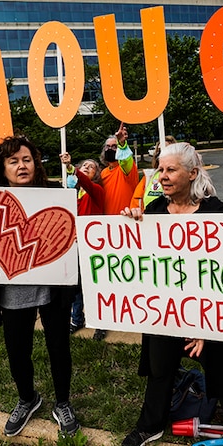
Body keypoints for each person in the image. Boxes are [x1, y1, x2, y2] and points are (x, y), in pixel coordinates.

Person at [120, 142, 223, 446]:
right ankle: (150, 425)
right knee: (160, 370)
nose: (163, 176)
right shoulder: (153, 211)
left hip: (210, 314)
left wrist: (203, 327)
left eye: (171, 170)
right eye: (161, 169)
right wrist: (131, 224)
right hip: (167, 313)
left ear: (192, 173)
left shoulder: (215, 212)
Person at [0, 135, 80, 438]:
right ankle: (28, 398)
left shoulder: (56, 193)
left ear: (35, 164)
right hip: (13, 290)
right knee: (17, 350)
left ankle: (62, 402)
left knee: (59, 348)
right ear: (2, 167)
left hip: (54, 288)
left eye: (26, 159)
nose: (21, 165)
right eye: (13, 161)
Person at [96, 122, 138, 341]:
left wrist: (123, 143)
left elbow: (127, 161)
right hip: (105, 231)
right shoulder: (102, 173)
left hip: (127, 229)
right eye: (109, 146)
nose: (111, 148)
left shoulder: (127, 170)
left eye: (115, 145)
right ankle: (105, 320)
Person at [60, 152, 105, 333]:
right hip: (75, 244)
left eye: (91, 166)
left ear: (97, 174)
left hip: (92, 245)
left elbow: (86, 183)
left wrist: (72, 168)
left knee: (94, 285)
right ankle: (77, 319)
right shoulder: (73, 193)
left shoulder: (96, 191)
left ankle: (101, 324)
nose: (86, 167)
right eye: (84, 164)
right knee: (76, 285)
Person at [130, 135, 177, 210]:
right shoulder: (149, 176)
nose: (161, 152)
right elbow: (136, 201)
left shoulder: (179, 176)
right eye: (159, 150)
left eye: (165, 149)